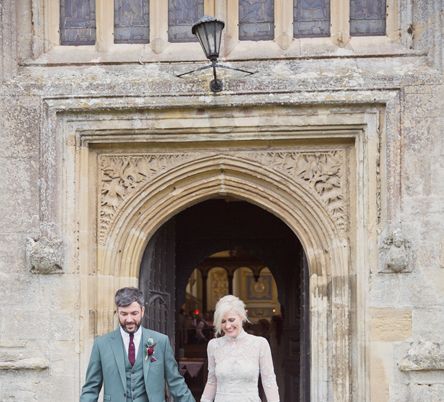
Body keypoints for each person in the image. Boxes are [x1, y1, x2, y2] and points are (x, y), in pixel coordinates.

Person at [80, 287, 195, 402]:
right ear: (117, 312)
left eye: (134, 313)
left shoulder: (160, 342)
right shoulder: (101, 344)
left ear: (142, 311)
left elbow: (176, 383)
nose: (129, 319)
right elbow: (91, 388)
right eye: (124, 314)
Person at [200, 295, 280, 402]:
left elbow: (269, 381)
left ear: (242, 317)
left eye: (231, 320)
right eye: (223, 321)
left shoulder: (260, 344)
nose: (227, 326)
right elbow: (211, 382)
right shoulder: (213, 345)